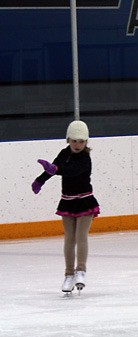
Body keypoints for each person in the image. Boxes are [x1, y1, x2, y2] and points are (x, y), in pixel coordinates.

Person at [32, 120, 100, 293]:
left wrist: (55, 170)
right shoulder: (64, 152)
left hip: (85, 200)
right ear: (68, 140)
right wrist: (40, 180)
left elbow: (70, 170)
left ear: (86, 142)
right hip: (68, 200)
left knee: (80, 236)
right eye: (74, 140)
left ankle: (81, 271)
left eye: (81, 141)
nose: (77, 145)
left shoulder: (85, 158)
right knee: (69, 238)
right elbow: (54, 168)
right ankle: (69, 274)